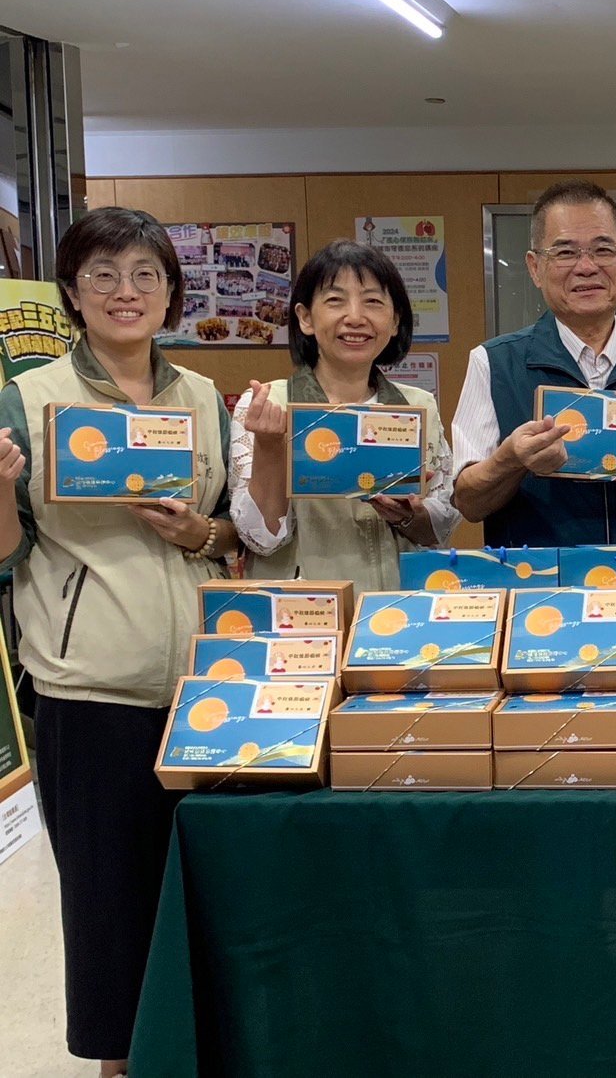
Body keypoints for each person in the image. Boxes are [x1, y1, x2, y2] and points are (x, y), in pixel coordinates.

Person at [0, 206, 238, 1076]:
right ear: (72, 291)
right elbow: (7, 552)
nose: (124, 291)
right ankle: (122, 1065)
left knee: (207, 893)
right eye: (101, 274)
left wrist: (197, 533)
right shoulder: (29, 400)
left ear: (172, 291)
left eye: (145, 274)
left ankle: (206, 1052)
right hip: (90, 690)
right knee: (109, 909)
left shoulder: (203, 397)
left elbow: (233, 532)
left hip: (209, 690)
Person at [451, 179, 616, 545]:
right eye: (565, 252)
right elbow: (468, 503)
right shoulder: (494, 364)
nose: (586, 267)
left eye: (603, 250)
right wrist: (511, 461)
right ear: (535, 267)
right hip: (537, 576)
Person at [229, 239, 459, 593]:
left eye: (373, 301)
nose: (355, 317)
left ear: (395, 320)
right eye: (335, 300)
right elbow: (260, 540)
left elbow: (442, 526)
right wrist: (270, 448)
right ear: (305, 318)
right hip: (305, 610)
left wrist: (410, 515)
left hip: (395, 608)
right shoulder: (268, 404)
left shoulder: (419, 406)